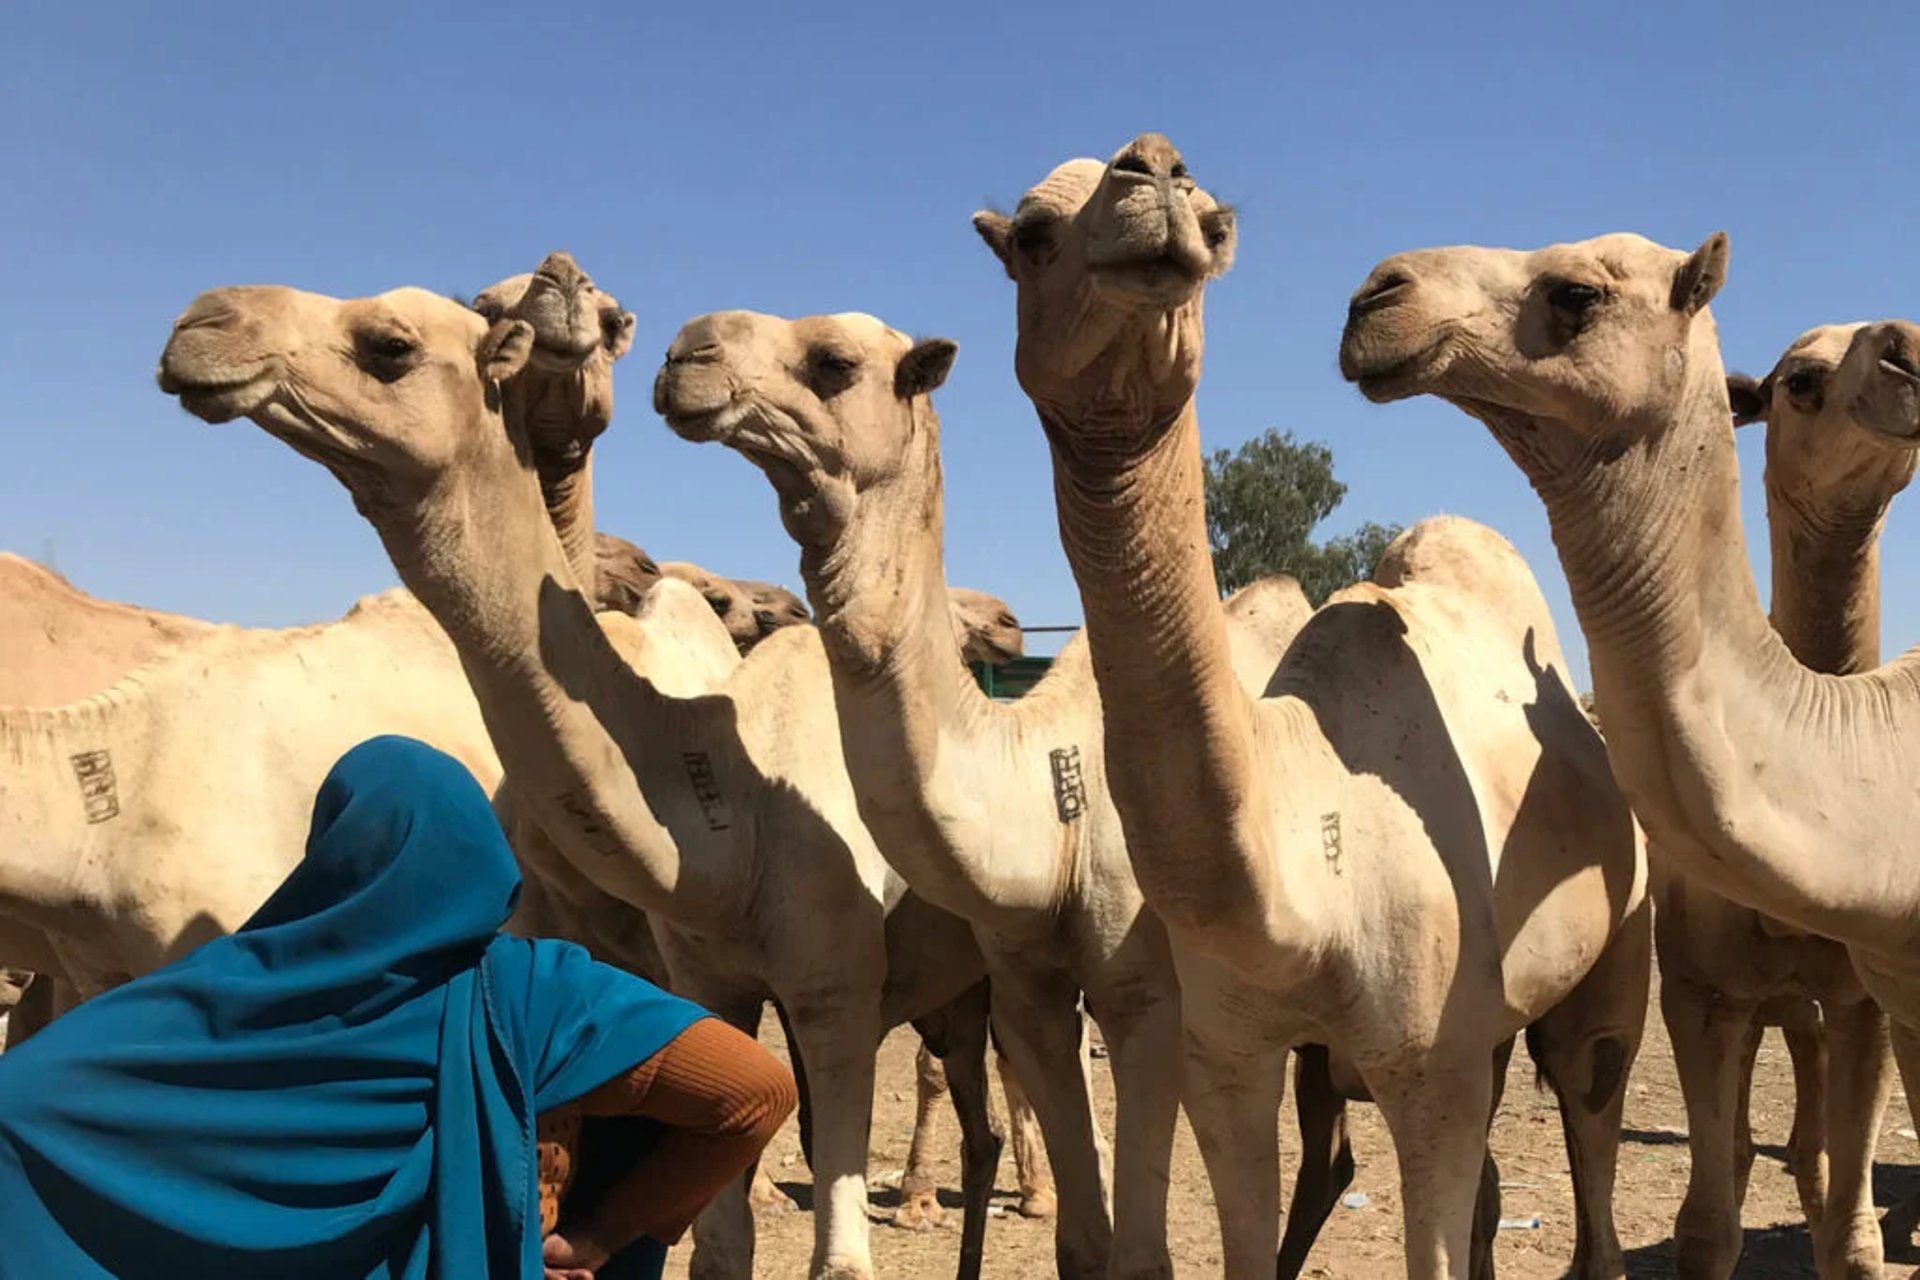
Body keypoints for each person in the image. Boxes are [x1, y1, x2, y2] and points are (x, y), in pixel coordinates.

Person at [0, 736, 795, 1278]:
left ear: (334, 848)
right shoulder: (536, 996)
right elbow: (756, 1094)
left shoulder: (217, 992)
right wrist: (598, 1234)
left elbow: (28, 1098)